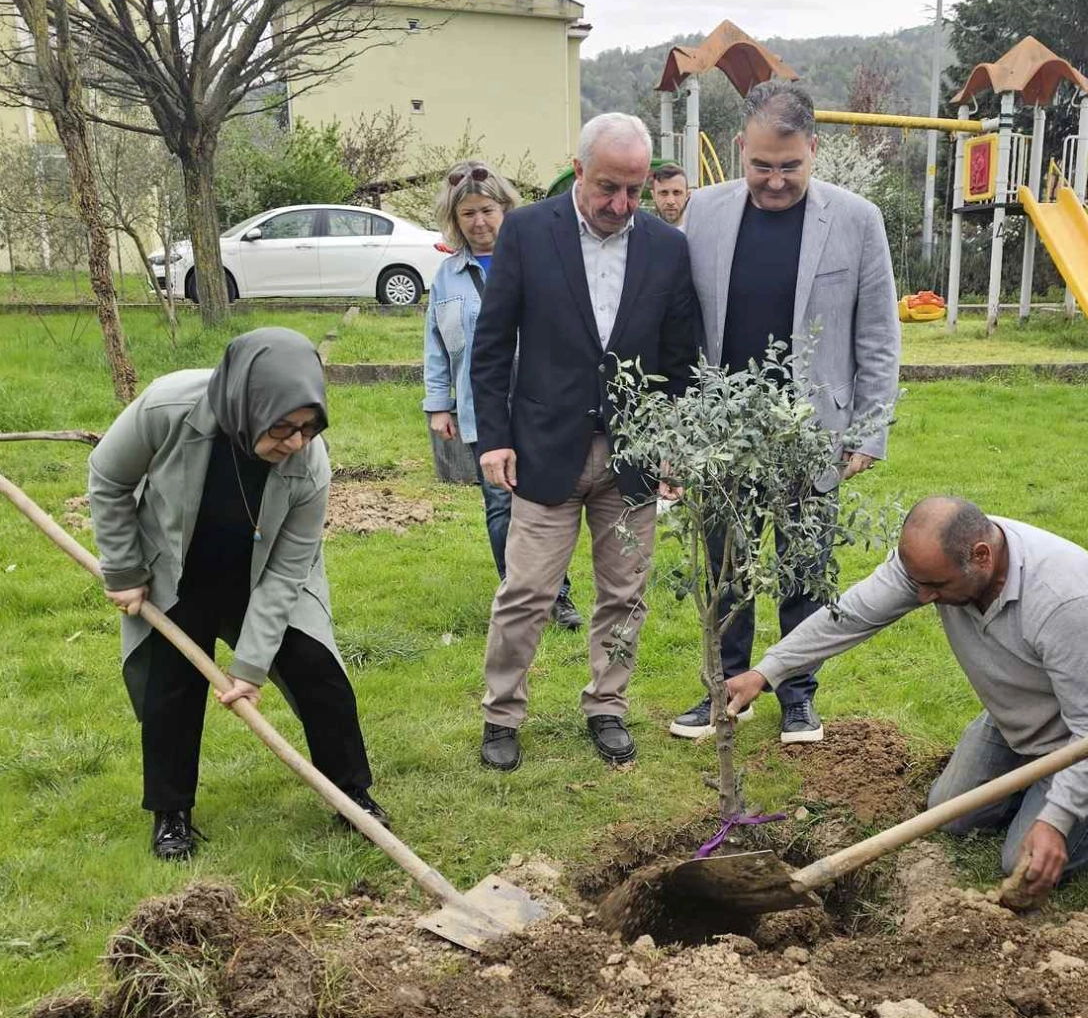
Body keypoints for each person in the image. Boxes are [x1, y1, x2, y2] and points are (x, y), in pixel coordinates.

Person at [725, 496, 1088, 899]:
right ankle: (1041, 781)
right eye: (917, 583)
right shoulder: (932, 566)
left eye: (935, 586)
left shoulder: (1060, 599)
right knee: (950, 814)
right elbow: (852, 614)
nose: (923, 597)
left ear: (982, 556)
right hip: (1019, 715)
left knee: (1023, 860)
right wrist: (768, 670)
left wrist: (1056, 821)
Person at [87, 328, 387, 860]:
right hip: (177, 569)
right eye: (283, 428)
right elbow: (108, 477)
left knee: (318, 671)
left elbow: (289, 569)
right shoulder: (168, 405)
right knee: (170, 689)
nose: (295, 442)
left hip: (265, 572)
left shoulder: (310, 463)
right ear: (248, 405)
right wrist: (124, 570)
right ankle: (171, 814)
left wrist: (249, 667)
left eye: (309, 428)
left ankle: (351, 794)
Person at [672, 80, 901, 745]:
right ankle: (724, 692)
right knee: (727, 567)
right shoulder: (704, 213)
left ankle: (798, 697)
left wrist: (868, 430)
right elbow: (687, 324)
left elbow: (879, 335)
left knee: (806, 567)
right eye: (761, 166)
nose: (774, 181)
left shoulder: (857, 220)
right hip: (724, 431)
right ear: (740, 148)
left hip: (812, 432)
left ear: (814, 151)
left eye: (789, 167)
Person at [470, 113, 700, 770]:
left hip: (633, 457)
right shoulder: (526, 232)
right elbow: (492, 346)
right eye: (608, 188)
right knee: (527, 591)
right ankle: (502, 712)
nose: (621, 205)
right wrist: (494, 437)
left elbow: (681, 360)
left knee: (625, 592)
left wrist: (674, 441)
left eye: (634, 190)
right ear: (579, 172)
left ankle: (608, 705)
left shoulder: (666, 248)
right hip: (543, 447)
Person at [423, 159, 584, 629]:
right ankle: (518, 597)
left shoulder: (538, 259)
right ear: (455, 220)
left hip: (540, 404)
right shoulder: (447, 277)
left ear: (506, 210)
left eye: (487, 210)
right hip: (481, 408)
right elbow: (436, 344)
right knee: (500, 507)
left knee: (545, 503)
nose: (479, 222)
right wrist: (439, 404)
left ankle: (558, 596)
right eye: (467, 214)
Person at [650, 162, 691, 228]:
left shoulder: (699, 234)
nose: (670, 201)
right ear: (653, 196)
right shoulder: (641, 234)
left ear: (687, 195)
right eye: (663, 193)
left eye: (677, 192)